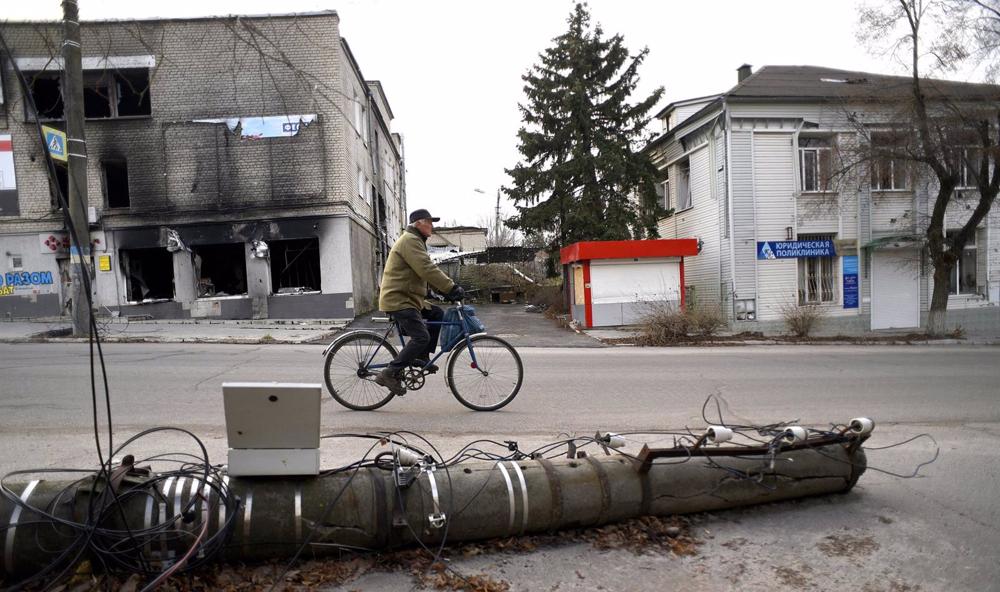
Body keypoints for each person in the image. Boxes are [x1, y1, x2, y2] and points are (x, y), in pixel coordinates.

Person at [375, 209, 464, 395]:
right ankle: (389, 373)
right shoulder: (410, 240)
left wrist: (438, 292)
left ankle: (421, 358)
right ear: (418, 224)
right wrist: (451, 288)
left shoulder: (415, 241)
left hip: (408, 297)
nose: (432, 226)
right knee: (421, 336)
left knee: (437, 313)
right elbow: (426, 269)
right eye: (429, 222)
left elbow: (418, 274)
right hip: (399, 300)